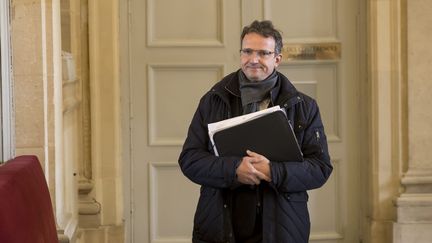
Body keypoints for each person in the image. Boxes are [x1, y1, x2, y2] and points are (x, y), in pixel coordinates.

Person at [178, 20, 332, 243]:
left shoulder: (304, 106)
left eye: (263, 53)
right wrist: (234, 169)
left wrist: (272, 171)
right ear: (240, 54)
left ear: (277, 59)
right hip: (220, 224)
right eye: (248, 51)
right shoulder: (213, 100)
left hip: (283, 227)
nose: (254, 60)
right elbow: (190, 160)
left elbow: (320, 168)